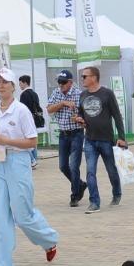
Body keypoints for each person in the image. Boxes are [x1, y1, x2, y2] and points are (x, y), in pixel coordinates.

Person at [0, 67, 59, 266]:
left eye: (4, 82)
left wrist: (8, 141)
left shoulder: (21, 110)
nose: (0, 85)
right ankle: (1, 263)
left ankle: (49, 240)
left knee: (22, 214)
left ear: (13, 86)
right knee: (0, 214)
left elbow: (32, 142)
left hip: (18, 160)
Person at [75, 66, 126, 213]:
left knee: (111, 170)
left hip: (106, 139)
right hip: (89, 139)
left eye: (85, 76)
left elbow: (117, 116)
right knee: (90, 172)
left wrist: (122, 138)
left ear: (94, 77)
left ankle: (117, 193)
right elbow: (81, 113)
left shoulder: (107, 94)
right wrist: (80, 119)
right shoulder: (82, 95)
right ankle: (94, 202)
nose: (82, 79)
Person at [45, 69, 85, 207]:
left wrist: (79, 118)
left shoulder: (79, 94)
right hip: (63, 135)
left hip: (76, 133)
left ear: (70, 82)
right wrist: (62, 103)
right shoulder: (56, 93)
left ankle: (75, 195)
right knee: (63, 166)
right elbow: (49, 109)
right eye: (59, 82)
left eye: (63, 82)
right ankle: (80, 184)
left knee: (74, 166)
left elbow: (85, 114)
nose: (60, 85)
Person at [17, 74, 43, 168]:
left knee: (26, 141)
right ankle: (34, 159)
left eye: (20, 83)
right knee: (33, 140)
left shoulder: (24, 94)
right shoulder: (34, 93)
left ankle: (32, 160)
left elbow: (23, 109)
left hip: (27, 120)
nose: (19, 85)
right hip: (35, 120)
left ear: (24, 82)